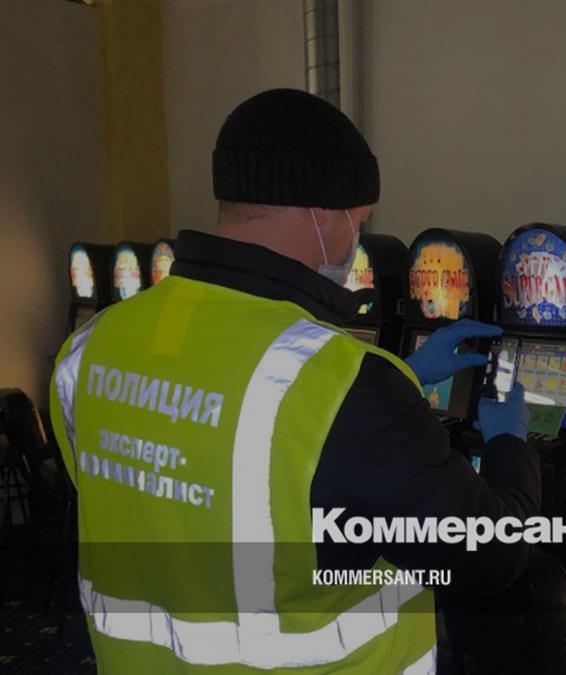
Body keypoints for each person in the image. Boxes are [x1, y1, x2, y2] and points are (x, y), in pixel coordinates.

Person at [48, 88, 540, 674]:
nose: (356, 239)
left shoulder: (90, 347)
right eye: (360, 221)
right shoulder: (346, 387)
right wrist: (509, 444)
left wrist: (403, 378)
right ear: (323, 212)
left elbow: (217, 452)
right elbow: (489, 556)